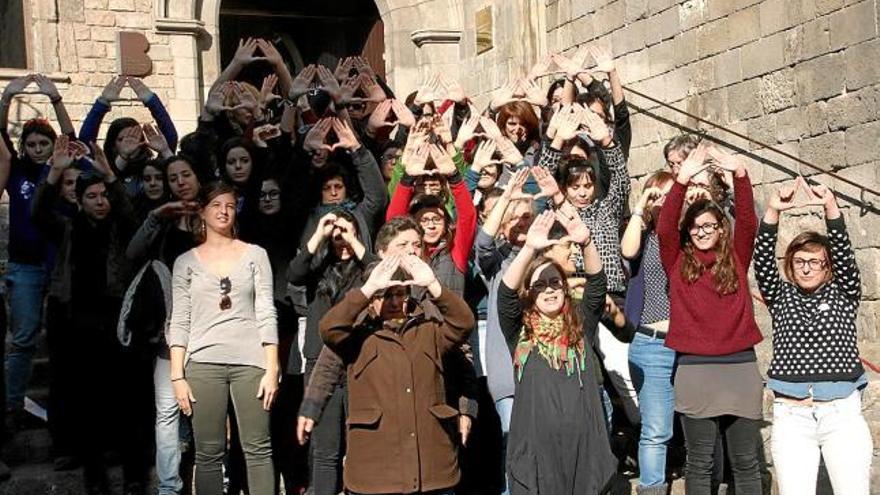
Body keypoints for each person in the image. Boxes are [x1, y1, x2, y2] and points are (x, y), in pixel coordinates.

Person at [33, 142, 141, 494]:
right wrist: (52, 175)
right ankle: (94, 475)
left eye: (103, 195)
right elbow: (38, 214)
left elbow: (130, 216)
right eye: (91, 196)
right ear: (79, 200)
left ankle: (132, 474)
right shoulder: (67, 228)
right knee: (84, 401)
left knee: (121, 400)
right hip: (76, 323)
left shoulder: (117, 227)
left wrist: (111, 176)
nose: (100, 201)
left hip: (113, 322)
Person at [320, 253, 475, 495]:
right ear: (372, 300)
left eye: (399, 294)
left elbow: (463, 322)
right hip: (376, 475)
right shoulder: (356, 337)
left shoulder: (429, 331)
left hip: (433, 473)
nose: (393, 302)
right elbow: (328, 328)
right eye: (384, 295)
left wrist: (432, 284)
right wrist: (369, 287)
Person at [657, 143, 763, 494]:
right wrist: (682, 180)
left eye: (709, 225)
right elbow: (665, 230)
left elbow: (748, 221)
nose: (702, 232)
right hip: (695, 370)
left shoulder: (736, 257)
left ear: (721, 228)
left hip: (740, 368)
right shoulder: (675, 262)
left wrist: (740, 174)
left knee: (746, 462)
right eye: (695, 227)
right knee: (699, 463)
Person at [755, 177, 872, 494]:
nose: (806, 268)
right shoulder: (781, 297)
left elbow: (845, 256)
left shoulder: (843, 294)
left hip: (840, 414)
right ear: (791, 265)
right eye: (799, 261)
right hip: (792, 415)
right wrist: (772, 211)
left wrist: (830, 206)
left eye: (814, 262)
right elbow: (763, 261)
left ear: (827, 266)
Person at [168, 181, 279, 495]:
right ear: (202, 211)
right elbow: (180, 321)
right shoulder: (185, 262)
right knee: (208, 453)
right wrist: (177, 375)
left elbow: (266, 312)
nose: (223, 211)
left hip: (251, 363)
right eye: (216, 205)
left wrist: (271, 367)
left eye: (229, 205)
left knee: (258, 448)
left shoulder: (256, 255)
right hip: (202, 363)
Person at [497, 209, 617, 494]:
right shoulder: (520, 334)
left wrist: (587, 243)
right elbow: (505, 294)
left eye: (555, 283)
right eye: (539, 285)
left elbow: (597, 286)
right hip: (537, 454)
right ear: (529, 294)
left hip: (585, 452)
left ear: (565, 288)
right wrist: (529, 249)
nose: (549, 290)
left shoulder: (580, 325)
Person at [0, 74, 75, 432]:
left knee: (67, 340)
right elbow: (0, 139)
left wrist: (56, 99)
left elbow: (71, 139)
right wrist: (8, 97)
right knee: (25, 337)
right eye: (31, 143)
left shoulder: (60, 169)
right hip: (25, 266)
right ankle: (13, 405)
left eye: (42, 142)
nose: (37, 149)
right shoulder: (15, 171)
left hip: (59, 262)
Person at [620, 170, 677, 494]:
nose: (663, 201)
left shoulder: (688, 235)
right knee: (656, 429)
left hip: (689, 344)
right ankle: (653, 488)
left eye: (670, 194)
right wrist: (641, 206)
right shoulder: (641, 236)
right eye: (657, 195)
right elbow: (627, 251)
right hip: (652, 345)